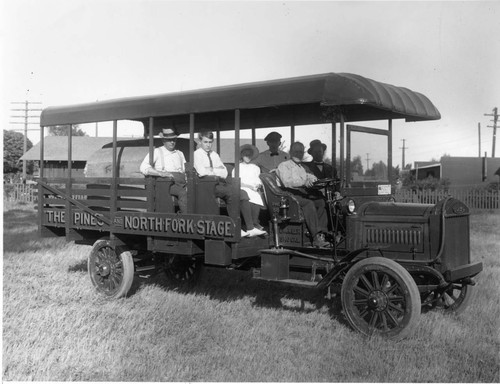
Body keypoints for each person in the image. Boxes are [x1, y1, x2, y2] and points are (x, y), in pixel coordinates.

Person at [276, 142, 330, 248]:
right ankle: (315, 238)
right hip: (288, 196)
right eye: (296, 151)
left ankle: (321, 233)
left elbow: (309, 176)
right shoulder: (284, 165)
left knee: (321, 202)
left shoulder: (301, 167)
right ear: (291, 152)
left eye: (301, 152)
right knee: (308, 203)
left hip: (300, 195)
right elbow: (287, 182)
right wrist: (304, 181)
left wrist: (314, 180)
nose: (299, 154)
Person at [139, 128, 187, 213]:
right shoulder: (157, 152)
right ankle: (188, 219)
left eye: (174, 140)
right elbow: (143, 167)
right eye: (169, 140)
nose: (172, 142)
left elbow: (185, 170)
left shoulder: (180, 153)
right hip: (167, 184)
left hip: (182, 182)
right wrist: (160, 173)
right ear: (164, 141)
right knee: (183, 193)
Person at [232, 144, 267, 237]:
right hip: (242, 188)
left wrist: (257, 185)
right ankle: (252, 225)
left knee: (256, 196)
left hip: (253, 188)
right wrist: (248, 185)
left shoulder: (255, 168)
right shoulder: (237, 167)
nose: (247, 157)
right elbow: (236, 181)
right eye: (245, 154)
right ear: (242, 155)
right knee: (247, 194)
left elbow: (257, 180)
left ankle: (255, 222)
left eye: (249, 154)